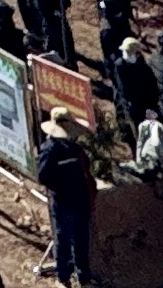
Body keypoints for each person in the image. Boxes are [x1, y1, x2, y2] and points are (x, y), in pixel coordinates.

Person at [35, 109, 99, 283]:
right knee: (63, 239)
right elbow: (43, 176)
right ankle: (63, 276)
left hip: (79, 202)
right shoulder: (50, 150)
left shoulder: (73, 148)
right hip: (63, 203)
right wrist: (62, 187)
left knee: (81, 240)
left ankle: (83, 276)